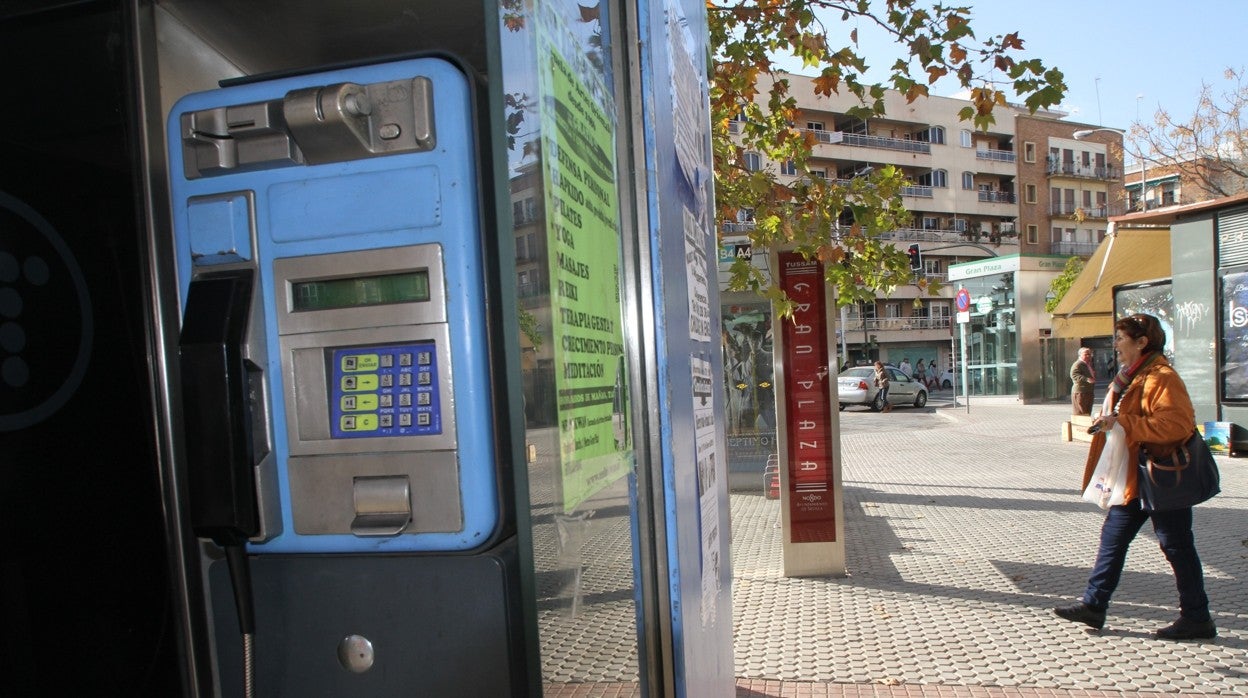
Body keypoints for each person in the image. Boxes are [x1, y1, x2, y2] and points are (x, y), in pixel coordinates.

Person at [1053, 314, 1216, 640]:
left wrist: (1124, 423)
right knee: (1113, 537)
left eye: (1120, 338)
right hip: (1134, 476)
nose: (1115, 344)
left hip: (1160, 476)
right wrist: (1109, 420)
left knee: (1177, 546)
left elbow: (1176, 425)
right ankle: (1094, 604)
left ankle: (1197, 618)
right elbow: (1127, 415)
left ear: (1142, 342)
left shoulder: (1162, 377)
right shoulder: (1132, 376)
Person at [1070, 347, 1096, 415]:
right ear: (1080, 355)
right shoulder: (1078, 364)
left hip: (1088, 391)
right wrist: (1086, 379)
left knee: (1087, 413)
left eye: (1089, 354)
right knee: (1081, 413)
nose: (1088, 356)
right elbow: (1074, 375)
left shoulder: (1087, 364)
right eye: (1086, 354)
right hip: (1081, 392)